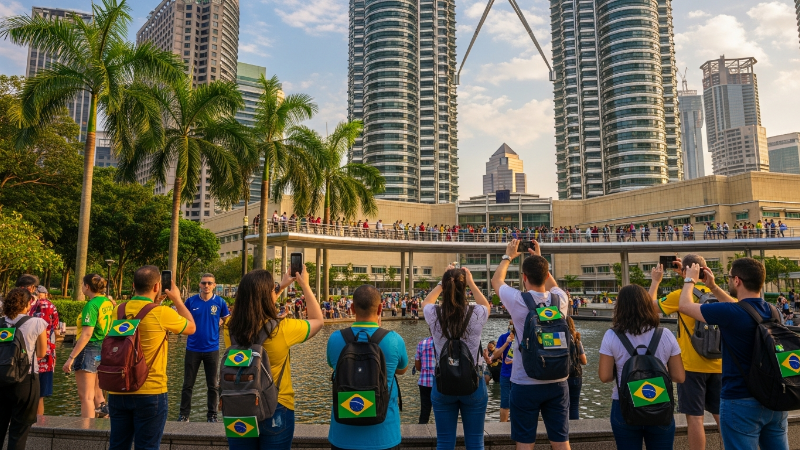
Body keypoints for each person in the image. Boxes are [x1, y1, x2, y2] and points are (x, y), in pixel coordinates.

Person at [679, 258, 789, 450]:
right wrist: (713, 287)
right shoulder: (773, 311)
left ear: (737, 280)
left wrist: (689, 280)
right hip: (774, 400)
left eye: (729, 277)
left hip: (740, 402)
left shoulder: (729, 312)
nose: (729, 281)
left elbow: (685, 307)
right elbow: (743, 308)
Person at [224, 265, 324, 450]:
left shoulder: (230, 327)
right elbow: (318, 320)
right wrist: (304, 285)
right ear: (268, 295)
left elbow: (254, 309)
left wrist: (279, 288)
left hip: (239, 405)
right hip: (276, 406)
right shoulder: (282, 329)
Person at [491, 239, 570, 450]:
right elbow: (554, 286)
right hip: (558, 379)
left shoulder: (518, 300)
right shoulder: (560, 300)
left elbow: (496, 281)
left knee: (525, 443)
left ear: (524, 278)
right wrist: (539, 258)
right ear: (546, 274)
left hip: (525, 381)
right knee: (561, 441)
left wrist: (508, 256)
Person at [107, 266, 196, 450]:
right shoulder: (162, 313)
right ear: (157, 287)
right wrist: (177, 300)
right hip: (151, 391)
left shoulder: (118, 310)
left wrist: (156, 301)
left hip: (118, 389)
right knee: (147, 447)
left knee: (118, 445)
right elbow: (191, 327)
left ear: (133, 285)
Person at [648, 255, 727, 450]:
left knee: (695, 419)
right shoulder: (720, 295)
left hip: (691, 367)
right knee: (722, 418)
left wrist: (655, 281)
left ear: (686, 272)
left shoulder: (680, 295)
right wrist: (684, 274)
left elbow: (649, 307)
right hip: (720, 365)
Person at [598, 284, 685, 450]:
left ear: (620, 307)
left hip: (624, 406)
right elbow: (679, 377)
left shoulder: (611, 335)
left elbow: (605, 377)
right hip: (659, 403)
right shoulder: (665, 334)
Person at [327, 285, 408, 450]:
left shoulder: (335, 339)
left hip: (343, 436)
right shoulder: (394, 339)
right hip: (385, 435)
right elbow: (402, 369)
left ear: (351, 307)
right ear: (380, 308)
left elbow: (332, 366)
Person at [422, 267, 490, 450]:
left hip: (443, 384)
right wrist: (472, 283)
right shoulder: (477, 313)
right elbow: (486, 305)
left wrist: (440, 284)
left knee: (444, 442)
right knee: (476, 442)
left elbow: (426, 302)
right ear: (464, 286)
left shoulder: (434, 314)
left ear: (445, 287)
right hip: (473, 384)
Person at [178, 273, 230, 422]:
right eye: (203, 283)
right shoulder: (190, 301)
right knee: (188, 384)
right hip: (192, 348)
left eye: (209, 283)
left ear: (214, 285)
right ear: (199, 285)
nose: (206, 286)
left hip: (212, 349)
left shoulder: (220, 302)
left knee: (213, 385)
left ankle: (212, 415)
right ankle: (184, 415)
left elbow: (228, 321)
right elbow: (181, 319)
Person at [0, 287, 48, 450]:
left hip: (1, 378)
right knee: (18, 433)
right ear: (28, 304)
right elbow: (41, 352)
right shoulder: (37, 322)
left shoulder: (0, 323)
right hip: (26, 381)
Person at [62, 274, 114, 419]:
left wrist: (71, 358)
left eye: (82, 284)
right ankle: (103, 430)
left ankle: (86, 432)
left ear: (87, 286)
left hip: (89, 350)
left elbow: (86, 334)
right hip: (103, 349)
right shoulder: (107, 302)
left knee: (86, 397)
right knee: (98, 395)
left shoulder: (91, 306)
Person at [29, 285, 59, 415]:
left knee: (27, 393)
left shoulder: (29, 304)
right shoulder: (52, 307)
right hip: (47, 354)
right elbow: (56, 331)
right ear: (45, 294)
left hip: (30, 353)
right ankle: (40, 425)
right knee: (40, 396)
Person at [491, 321, 514, 422]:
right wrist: (507, 343)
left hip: (521, 375)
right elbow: (495, 355)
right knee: (505, 402)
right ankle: (502, 428)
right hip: (506, 374)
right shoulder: (504, 337)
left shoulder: (524, 335)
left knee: (520, 402)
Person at [566, 317, 586, 421]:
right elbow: (584, 361)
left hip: (563, 375)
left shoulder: (561, 339)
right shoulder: (576, 340)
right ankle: (575, 430)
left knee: (563, 406)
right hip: (576, 375)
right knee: (574, 405)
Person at [415, 335, 435, 424]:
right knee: (443, 411)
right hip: (441, 383)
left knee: (424, 411)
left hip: (424, 382)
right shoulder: (445, 343)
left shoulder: (422, 343)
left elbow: (417, 365)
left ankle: (421, 434)